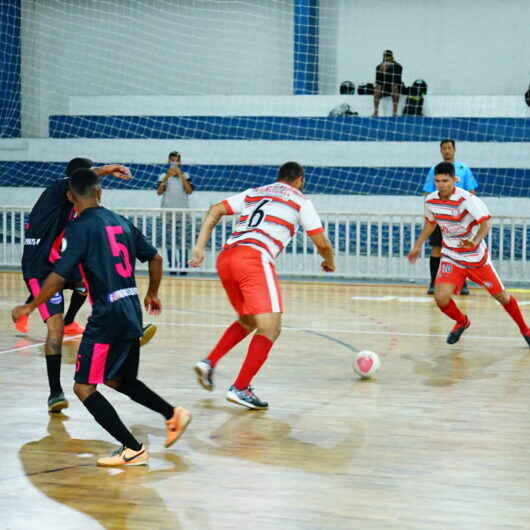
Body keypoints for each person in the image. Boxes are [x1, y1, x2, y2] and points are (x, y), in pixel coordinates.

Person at [12, 168, 191, 466]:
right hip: (132, 309)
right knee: (118, 378)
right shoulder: (120, 220)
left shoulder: (79, 228)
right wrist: (153, 293)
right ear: (100, 192)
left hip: (107, 315)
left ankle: (132, 449)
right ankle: (172, 414)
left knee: (83, 387)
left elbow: (57, 277)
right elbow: (156, 258)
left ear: (70, 198)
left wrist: (30, 307)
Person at [189, 161, 335, 409]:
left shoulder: (255, 192)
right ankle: (241, 388)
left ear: (278, 177)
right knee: (271, 327)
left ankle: (209, 362)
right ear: (299, 180)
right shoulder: (300, 200)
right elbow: (321, 241)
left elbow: (215, 209)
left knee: (249, 320)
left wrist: (199, 247)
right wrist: (329, 261)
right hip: (254, 258)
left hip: (226, 259)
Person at [19, 157, 157, 414]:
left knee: (88, 282)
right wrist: (107, 169)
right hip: (39, 268)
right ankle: (55, 392)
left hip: (58, 262)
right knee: (55, 329)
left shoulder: (73, 206)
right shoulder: (56, 190)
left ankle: (110, 327)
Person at [408, 162, 530, 347]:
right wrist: (417, 245)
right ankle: (462, 321)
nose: (441, 185)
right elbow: (431, 223)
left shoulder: (468, 200)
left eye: (445, 181)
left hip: (476, 258)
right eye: (438, 181)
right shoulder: (431, 200)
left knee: (502, 297)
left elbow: (486, 223)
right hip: (451, 256)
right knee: (441, 298)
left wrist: (475, 241)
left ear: (454, 180)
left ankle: (525, 330)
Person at [423, 139, 478, 295]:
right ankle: (434, 282)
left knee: (461, 248)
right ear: (441, 151)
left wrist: (472, 215)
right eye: (444, 148)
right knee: (437, 248)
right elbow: (428, 193)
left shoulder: (464, 169)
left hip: (460, 218)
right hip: (441, 216)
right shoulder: (435, 169)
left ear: (454, 150)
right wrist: (428, 215)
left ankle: (462, 283)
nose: (447, 151)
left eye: (449, 148)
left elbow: (472, 193)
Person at [156, 151, 194, 273]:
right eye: (172, 160)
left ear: (180, 162)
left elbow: (189, 191)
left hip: (183, 213)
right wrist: (167, 176)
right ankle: (172, 266)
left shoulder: (186, 175)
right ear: (168, 161)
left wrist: (181, 176)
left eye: (177, 160)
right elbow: (159, 192)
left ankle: (183, 266)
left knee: (183, 240)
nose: (174, 162)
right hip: (167, 213)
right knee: (169, 241)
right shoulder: (163, 176)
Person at [373, 50, 403, 117]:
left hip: (395, 87)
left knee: (394, 86)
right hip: (384, 88)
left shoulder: (398, 67)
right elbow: (378, 82)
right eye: (385, 57)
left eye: (388, 58)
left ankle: (394, 112)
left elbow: (397, 81)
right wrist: (382, 71)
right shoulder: (379, 67)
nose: (387, 60)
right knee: (377, 88)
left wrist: (389, 69)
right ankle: (375, 112)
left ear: (392, 58)